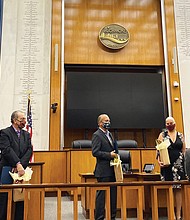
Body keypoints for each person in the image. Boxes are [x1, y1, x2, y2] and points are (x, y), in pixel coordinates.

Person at [0, 110, 33, 220]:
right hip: (7, 169)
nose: (24, 121)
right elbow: (6, 150)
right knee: (4, 199)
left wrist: (21, 165)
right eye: (22, 119)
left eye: (24, 119)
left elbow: (29, 150)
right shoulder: (5, 133)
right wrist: (17, 163)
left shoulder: (26, 134)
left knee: (20, 198)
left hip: (21, 171)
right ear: (15, 121)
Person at [156, 116, 186, 220]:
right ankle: (171, 215)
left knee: (178, 189)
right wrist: (159, 160)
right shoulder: (162, 135)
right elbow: (158, 150)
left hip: (179, 166)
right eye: (167, 123)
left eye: (171, 123)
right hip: (167, 166)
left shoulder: (180, 135)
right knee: (169, 189)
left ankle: (178, 215)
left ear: (175, 123)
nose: (169, 125)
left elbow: (183, 150)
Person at [92, 114, 118, 220]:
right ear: (100, 123)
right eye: (106, 121)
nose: (108, 122)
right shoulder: (97, 135)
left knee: (113, 196)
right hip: (103, 171)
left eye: (109, 120)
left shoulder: (110, 134)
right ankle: (99, 218)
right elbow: (95, 152)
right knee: (101, 197)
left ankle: (112, 217)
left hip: (112, 170)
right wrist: (109, 155)